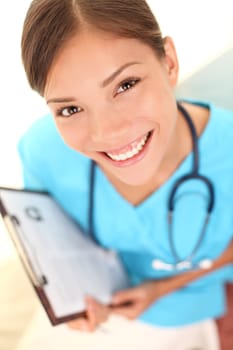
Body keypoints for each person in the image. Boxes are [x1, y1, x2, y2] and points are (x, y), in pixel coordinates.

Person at [19, 0, 233, 349]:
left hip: (184, 309)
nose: (108, 133)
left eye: (126, 84)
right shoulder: (43, 151)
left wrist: (160, 289)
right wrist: (77, 302)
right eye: (70, 108)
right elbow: (56, 249)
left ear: (169, 62)